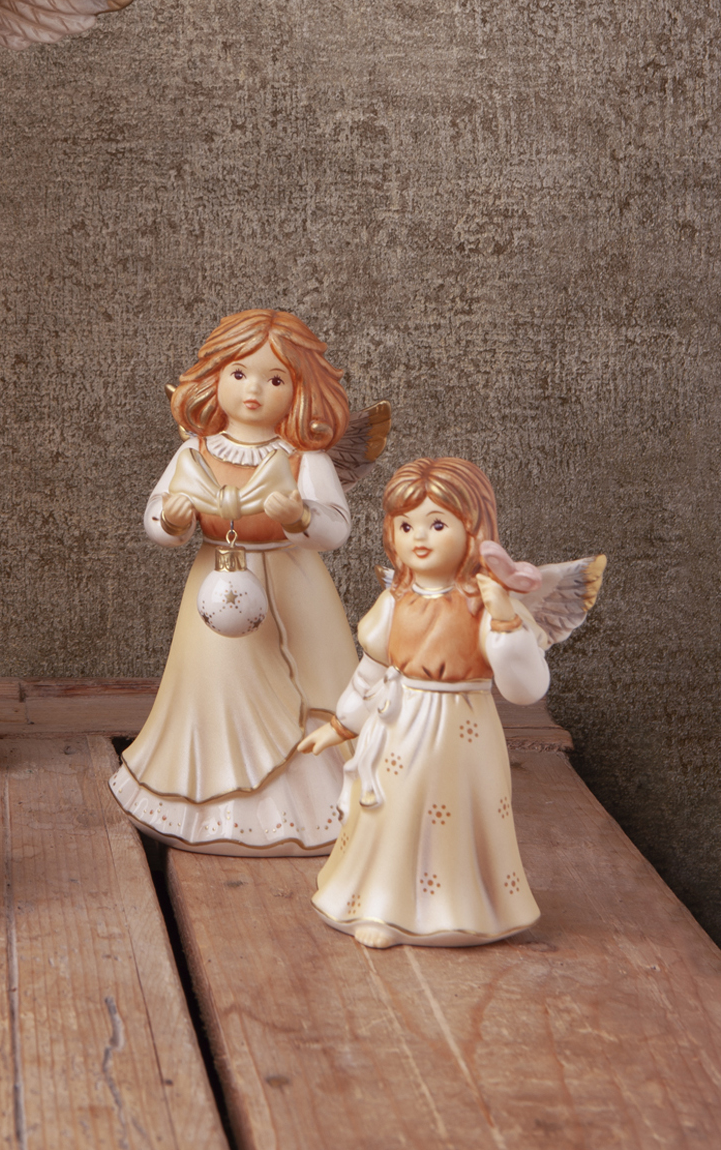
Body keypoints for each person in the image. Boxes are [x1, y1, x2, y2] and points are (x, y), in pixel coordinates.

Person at [111, 309, 366, 854]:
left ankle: (309, 804)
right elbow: (157, 517)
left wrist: (301, 516)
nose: (254, 390)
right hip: (216, 583)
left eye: (275, 379)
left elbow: (336, 528)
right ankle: (212, 798)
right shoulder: (195, 451)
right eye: (240, 373)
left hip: (294, 588)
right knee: (217, 680)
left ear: (299, 391)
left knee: (308, 688)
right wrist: (172, 519)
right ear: (215, 378)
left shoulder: (304, 458)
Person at [303, 456, 556, 948]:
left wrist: (505, 619)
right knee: (392, 814)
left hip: (462, 730)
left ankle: (460, 908)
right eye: (405, 525)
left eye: (437, 524)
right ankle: (381, 906)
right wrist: (340, 725)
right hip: (397, 725)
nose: (418, 537)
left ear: (473, 530)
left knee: (450, 817)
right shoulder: (395, 601)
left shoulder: (485, 605)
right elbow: (372, 672)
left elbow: (525, 688)